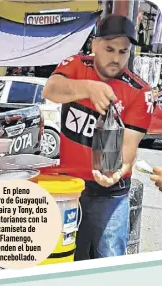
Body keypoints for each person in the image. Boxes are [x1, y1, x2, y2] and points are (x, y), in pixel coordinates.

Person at [43, 15, 154, 260]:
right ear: (94, 45)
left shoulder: (140, 91)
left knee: (110, 260)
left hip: (111, 192)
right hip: (69, 186)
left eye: (123, 51)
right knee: (67, 256)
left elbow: (129, 148)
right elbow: (50, 90)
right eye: (109, 49)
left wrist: (117, 170)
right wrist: (87, 88)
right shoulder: (75, 64)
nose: (116, 58)